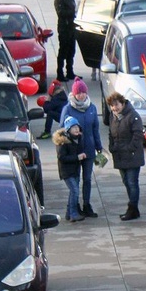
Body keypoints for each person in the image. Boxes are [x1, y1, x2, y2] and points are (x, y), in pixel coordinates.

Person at [61, 78, 103, 219]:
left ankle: (86, 204)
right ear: (74, 94)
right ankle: (74, 207)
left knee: (87, 179)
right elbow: (62, 130)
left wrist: (99, 146)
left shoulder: (92, 107)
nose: (82, 96)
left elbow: (95, 128)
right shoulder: (68, 108)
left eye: (83, 92)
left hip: (89, 150)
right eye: (79, 93)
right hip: (74, 151)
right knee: (75, 180)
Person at [106, 91, 144, 221]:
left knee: (132, 182)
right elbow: (110, 133)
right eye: (112, 106)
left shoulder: (133, 116)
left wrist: (129, 148)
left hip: (132, 156)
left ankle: (132, 208)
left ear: (122, 103)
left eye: (116, 105)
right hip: (119, 155)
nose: (114, 108)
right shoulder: (113, 116)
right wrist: (112, 146)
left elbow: (138, 135)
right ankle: (134, 209)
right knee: (126, 182)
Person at [52, 116, 85, 222]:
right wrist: (77, 157)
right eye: (73, 127)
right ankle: (73, 213)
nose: (76, 129)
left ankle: (69, 213)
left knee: (73, 191)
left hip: (75, 169)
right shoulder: (63, 141)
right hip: (67, 171)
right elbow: (62, 157)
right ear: (68, 129)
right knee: (75, 191)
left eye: (77, 127)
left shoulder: (78, 139)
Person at [54, 0, 78, 81]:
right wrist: (73, 12)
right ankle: (60, 73)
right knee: (63, 51)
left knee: (71, 51)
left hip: (71, 27)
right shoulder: (59, 0)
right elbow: (61, 13)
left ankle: (70, 72)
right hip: (64, 29)